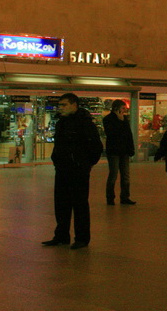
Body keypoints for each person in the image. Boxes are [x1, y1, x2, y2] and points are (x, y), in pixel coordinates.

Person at [41, 93, 104, 249]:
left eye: (64, 105)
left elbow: (96, 147)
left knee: (79, 204)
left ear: (74, 105)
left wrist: (85, 164)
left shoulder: (85, 123)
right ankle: (61, 235)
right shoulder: (62, 123)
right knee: (61, 203)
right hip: (62, 168)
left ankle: (82, 238)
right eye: (59, 105)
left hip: (78, 170)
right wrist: (57, 159)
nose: (60, 108)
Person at [103, 99, 136, 205]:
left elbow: (128, 134)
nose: (125, 111)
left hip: (124, 151)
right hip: (114, 151)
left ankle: (125, 197)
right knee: (113, 174)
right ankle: (110, 197)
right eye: (123, 108)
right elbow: (111, 133)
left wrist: (131, 149)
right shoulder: (108, 119)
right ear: (116, 108)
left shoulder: (125, 119)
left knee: (125, 175)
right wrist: (119, 121)